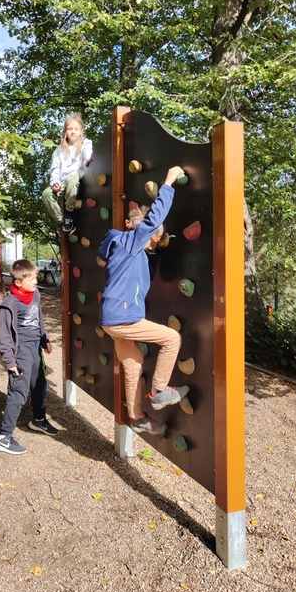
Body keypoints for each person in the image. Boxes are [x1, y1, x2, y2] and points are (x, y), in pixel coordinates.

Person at [99, 165, 189, 437]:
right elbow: (153, 221)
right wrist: (169, 182)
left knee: (133, 363)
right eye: (156, 237)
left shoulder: (130, 252)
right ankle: (160, 390)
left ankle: (137, 417)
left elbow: (144, 273)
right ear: (150, 235)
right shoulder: (130, 242)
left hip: (112, 320)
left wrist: (156, 250)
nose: (156, 242)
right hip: (123, 317)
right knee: (171, 339)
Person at [0, 259, 58, 455]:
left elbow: (39, 318)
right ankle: (3, 438)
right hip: (20, 351)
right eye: (31, 279)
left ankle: (38, 420)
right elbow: (3, 336)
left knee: (39, 385)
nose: (36, 282)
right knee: (18, 392)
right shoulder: (9, 305)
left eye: (35, 278)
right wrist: (10, 361)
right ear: (18, 282)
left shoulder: (35, 294)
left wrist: (45, 339)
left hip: (36, 347)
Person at [42, 114, 93, 235]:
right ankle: (62, 220)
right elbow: (55, 170)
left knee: (71, 179)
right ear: (65, 132)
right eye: (70, 129)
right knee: (46, 193)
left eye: (76, 129)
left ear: (81, 131)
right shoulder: (58, 151)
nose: (73, 132)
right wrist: (55, 183)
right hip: (62, 181)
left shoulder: (85, 143)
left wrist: (87, 160)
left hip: (77, 176)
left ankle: (69, 213)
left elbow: (87, 154)